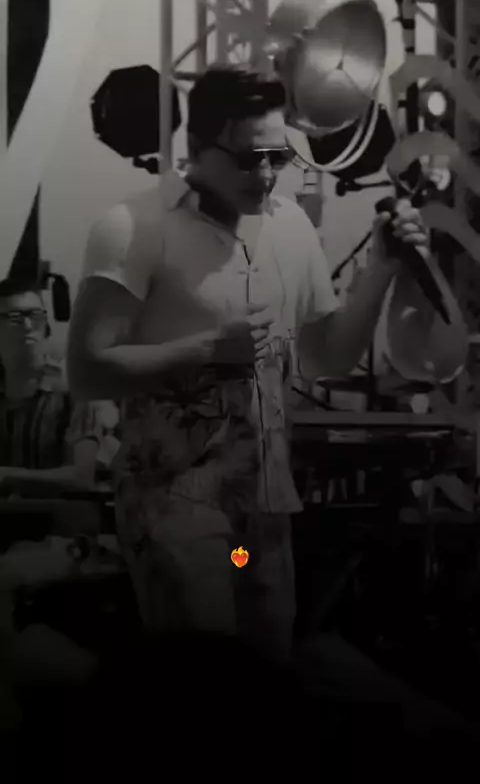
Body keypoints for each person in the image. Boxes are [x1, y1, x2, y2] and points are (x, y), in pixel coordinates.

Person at [67, 64, 430, 661]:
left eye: (276, 158)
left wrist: (383, 271)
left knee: (266, 677)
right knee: (207, 680)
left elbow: (325, 356)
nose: (264, 175)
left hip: (259, 516)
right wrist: (207, 350)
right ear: (196, 147)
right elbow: (86, 370)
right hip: (176, 510)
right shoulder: (133, 228)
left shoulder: (290, 228)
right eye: (246, 159)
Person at [0, 279, 118, 497]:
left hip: (54, 515)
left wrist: (8, 476)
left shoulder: (73, 392)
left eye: (35, 315)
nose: (28, 326)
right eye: (14, 318)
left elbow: (82, 477)